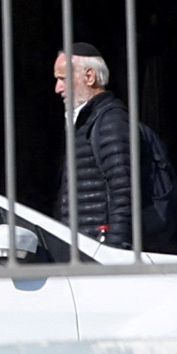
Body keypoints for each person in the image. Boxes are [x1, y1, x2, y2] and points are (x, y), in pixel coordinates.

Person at [54, 45, 140, 249]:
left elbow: (124, 191)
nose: (57, 88)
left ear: (90, 77)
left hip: (99, 250)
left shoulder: (110, 121)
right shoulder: (87, 121)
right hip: (85, 247)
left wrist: (114, 249)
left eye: (63, 79)